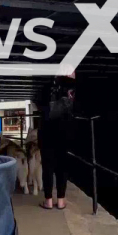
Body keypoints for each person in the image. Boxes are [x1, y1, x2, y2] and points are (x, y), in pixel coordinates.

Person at [38, 74, 75, 210]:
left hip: (46, 132)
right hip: (64, 132)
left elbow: (40, 106)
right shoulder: (73, 89)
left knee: (47, 166)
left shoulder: (47, 88)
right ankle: (60, 200)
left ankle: (48, 200)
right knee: (62, 166)